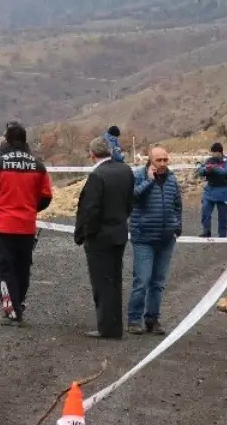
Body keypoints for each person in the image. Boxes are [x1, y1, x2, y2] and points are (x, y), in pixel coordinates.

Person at [0, 122, 53, 326]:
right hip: (27, 225)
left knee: (5, 269)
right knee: (23, 267)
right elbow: (47, 196)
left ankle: (11, 312)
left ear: (7, 140)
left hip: (2, 225)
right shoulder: (38, 165)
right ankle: (19, 304)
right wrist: (31, 209)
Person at [75, 136, 134, 339]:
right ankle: (115, 325)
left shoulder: (97, 176)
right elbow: (129, 203)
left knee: (102, 283)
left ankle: (106, 328)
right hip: (119, 233)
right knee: (115, 280)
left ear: (92, 154)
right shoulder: (126, 171)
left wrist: (85, 234)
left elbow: (90, 210)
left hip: (100, 237)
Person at [128, 146, 182, 335]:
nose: (162, 164)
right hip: (144, 238)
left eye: (165, 160)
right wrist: (149, 182)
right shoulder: (138, 177)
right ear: (150, 161)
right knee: (142, 280)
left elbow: (177, 205)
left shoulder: (172, 180)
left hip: (166, 239)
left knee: (158, 282)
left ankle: (153, 319)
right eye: (158, 160)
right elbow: (131, 198)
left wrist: (177, 227)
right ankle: (134, 319)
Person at [196, 142, 227, 238]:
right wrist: (205, 169)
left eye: (213, 152)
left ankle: (222, 235)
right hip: (210, 190)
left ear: (219, 152)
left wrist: (214, 168)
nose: (212, 154)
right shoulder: (210, 160)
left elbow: (226, 172)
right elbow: (201, 171)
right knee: (205, 210)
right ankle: (206, 231)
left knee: (222, 216)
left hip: (223, 191)